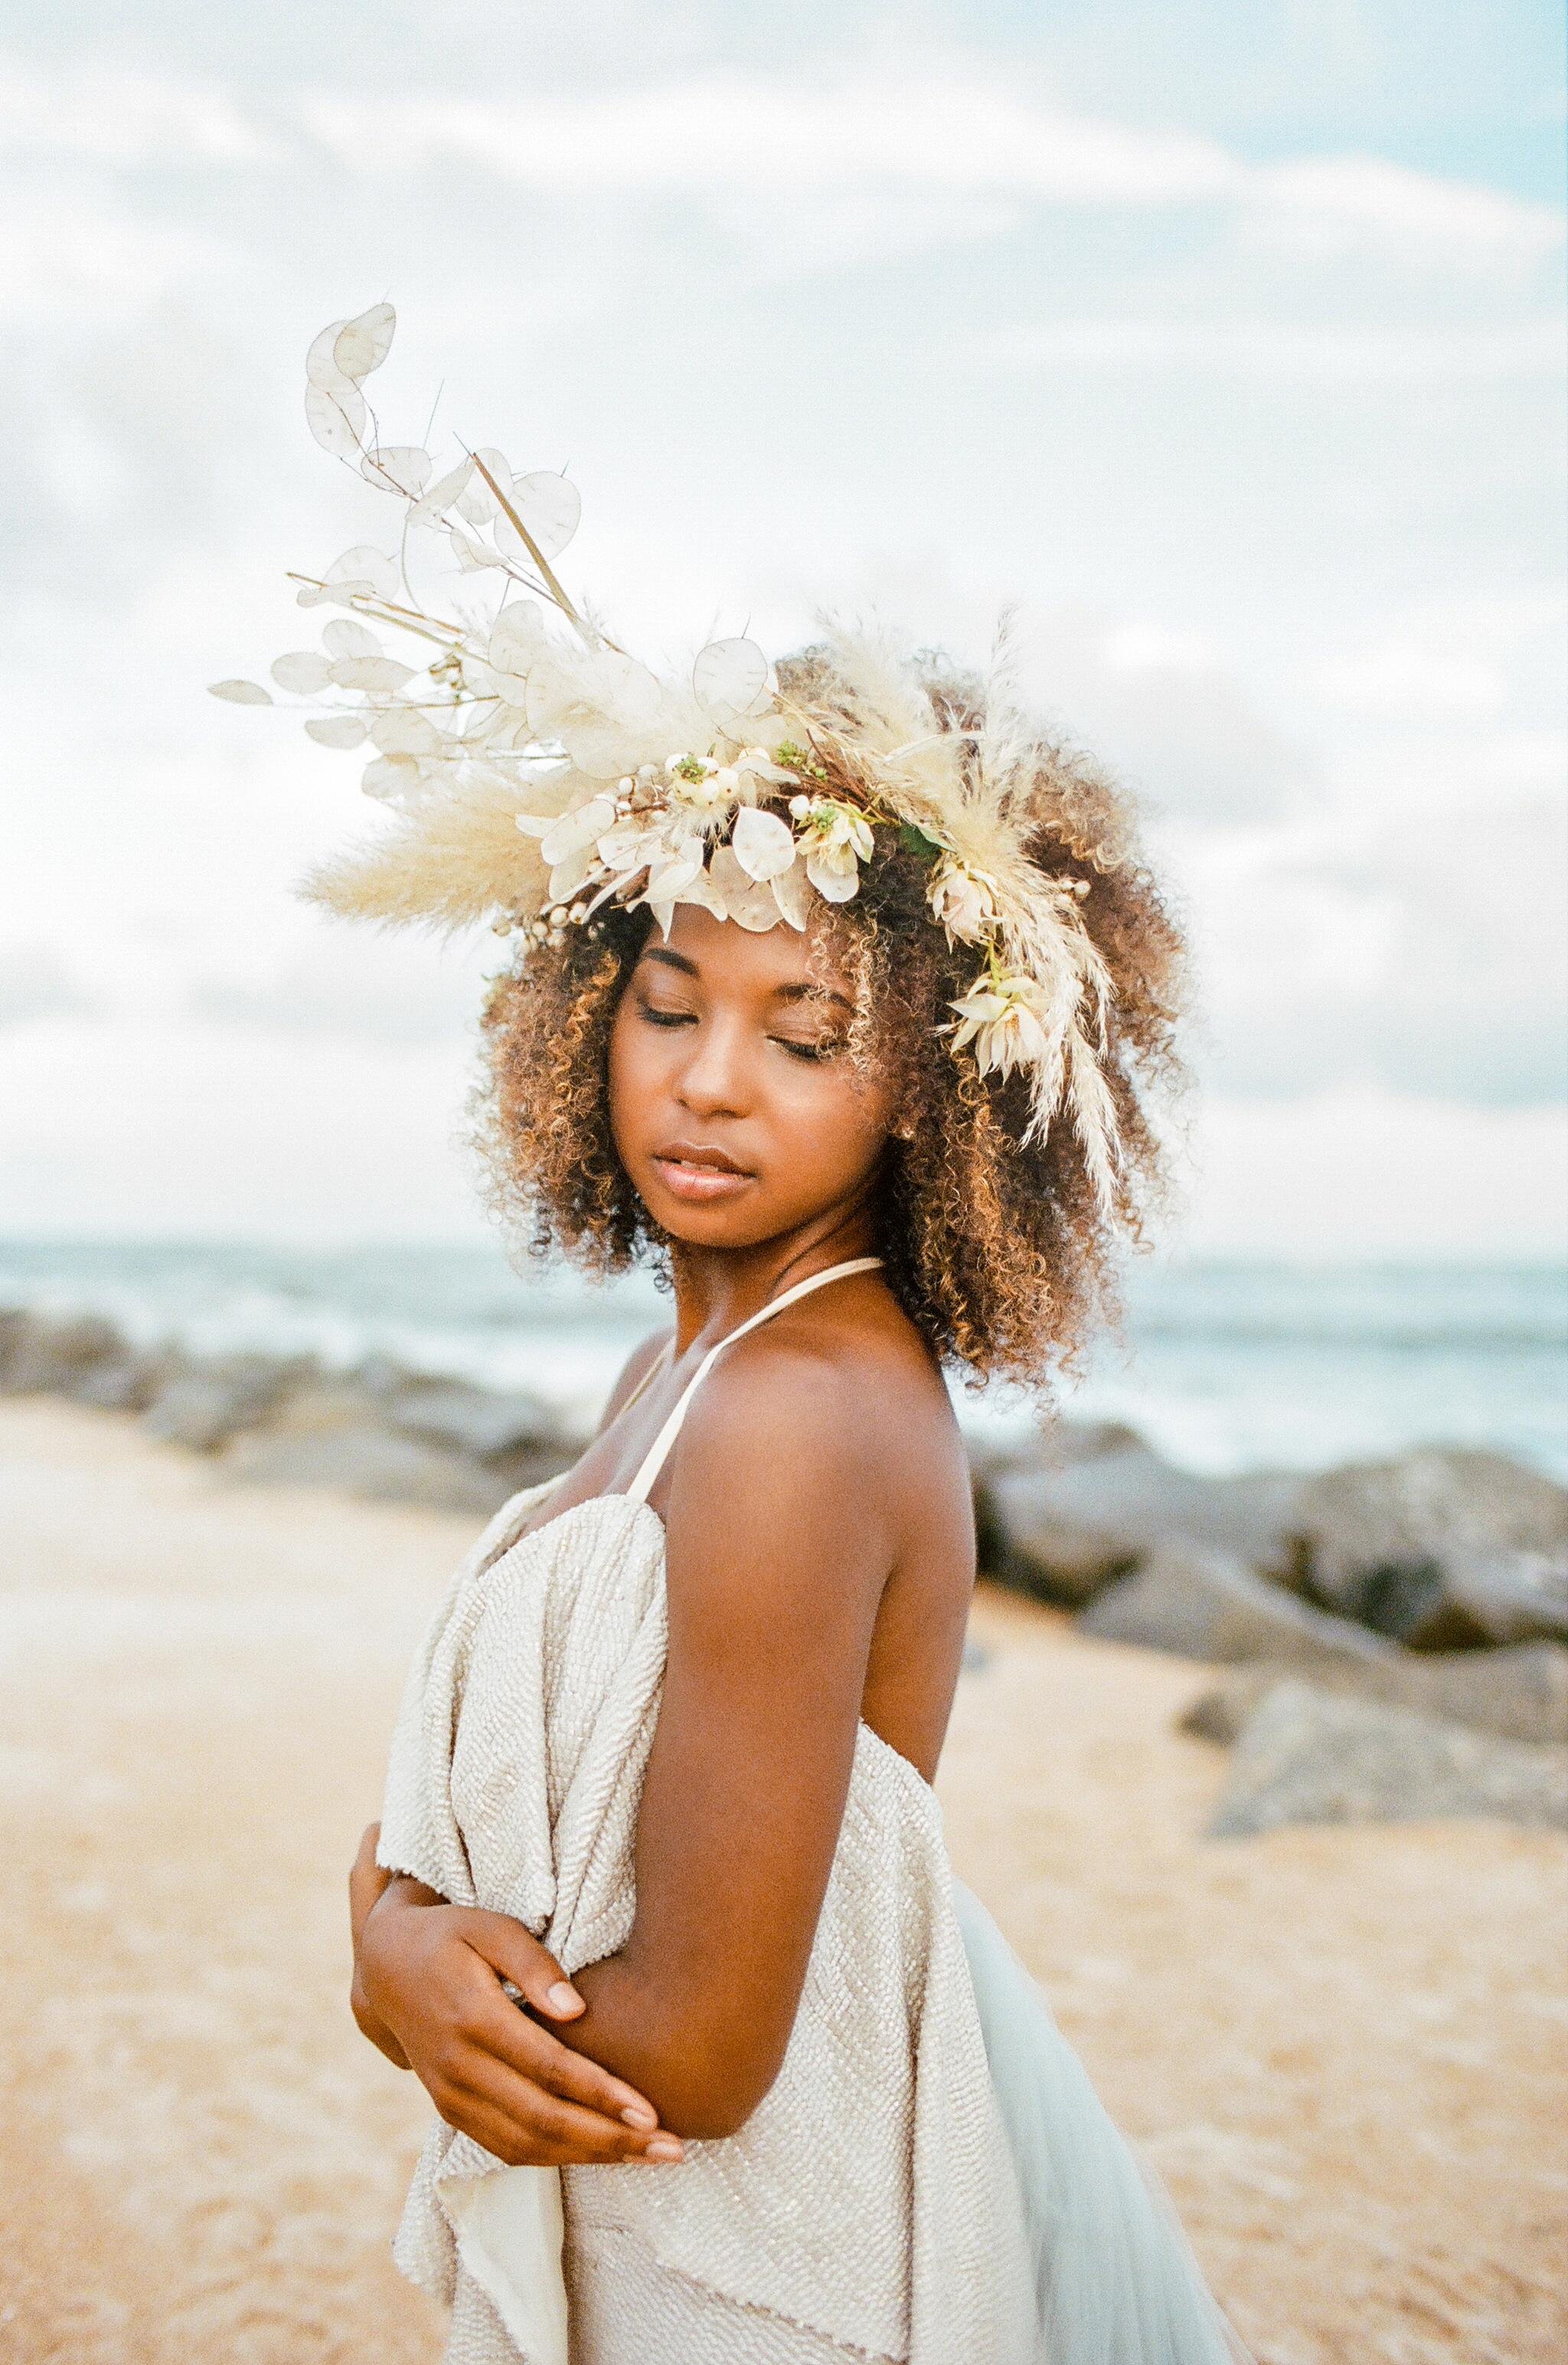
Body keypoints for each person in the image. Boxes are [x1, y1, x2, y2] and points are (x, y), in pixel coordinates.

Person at [222, 305, 1250, 2362]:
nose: (709, 1078)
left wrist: (385, 1948)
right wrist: (405, 1926)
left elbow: (687, 2054)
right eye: (671, 999)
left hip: (762, 2271)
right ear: (581, 1007)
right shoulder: (687, 1369)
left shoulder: (800, 1409)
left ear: (935, 1091)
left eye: (809, 1034)